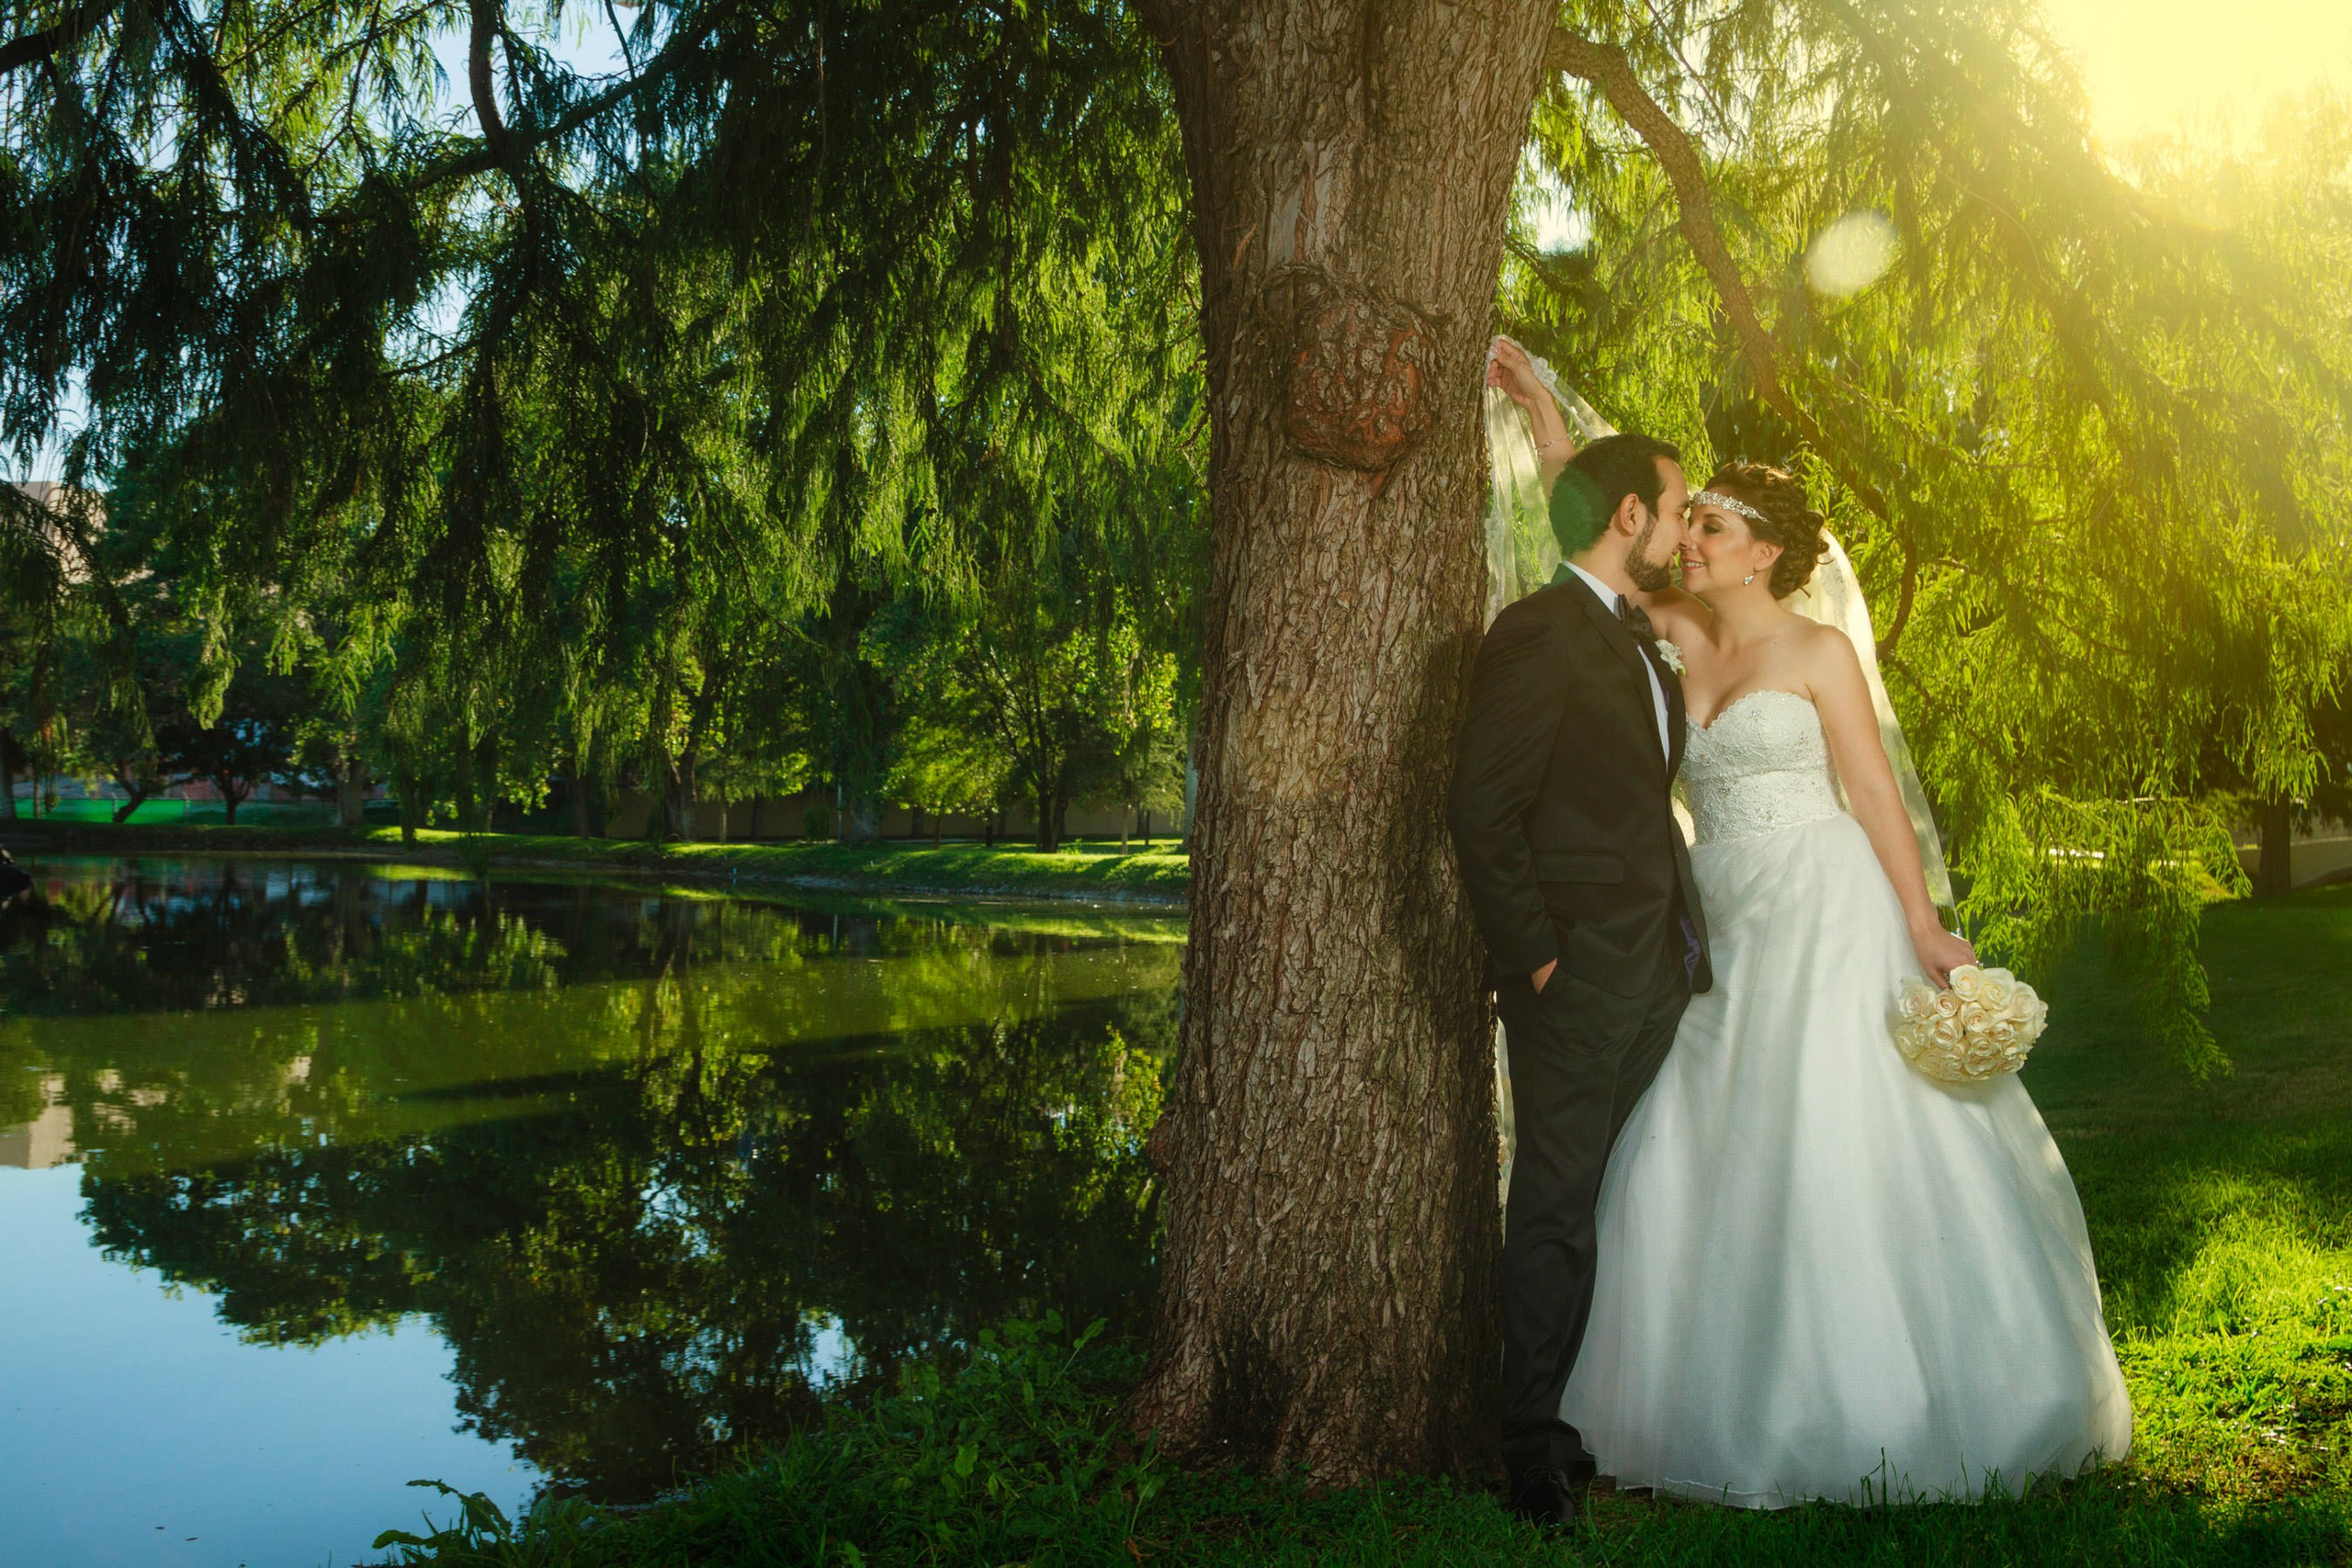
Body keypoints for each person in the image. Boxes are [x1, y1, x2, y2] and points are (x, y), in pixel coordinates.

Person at [1552, 461, 2132, 1506]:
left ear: (1766, 552)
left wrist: (1922, 922)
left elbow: (1870, 788)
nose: (1691, 541)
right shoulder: (1670, 626)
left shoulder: (1818, 650)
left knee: (1828, 1112)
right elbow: (1597, 545)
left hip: (1822, 899)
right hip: (1712, 908)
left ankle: (1877, 1399)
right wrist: (1552, 435)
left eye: (1713, 527)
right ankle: (1696, 1391)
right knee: (1705, 1120)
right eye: (1692, 523)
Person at [1446, 348, 1712, 1531]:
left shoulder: (1634, 627)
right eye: (1674, 508)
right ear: (1629, 517)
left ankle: (1588, 1408)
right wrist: (1538, 958)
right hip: (1577, 974)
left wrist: (1549, 423)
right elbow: (1481, 809)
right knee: (1554, 1202)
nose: (1684, 530)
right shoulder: (1540, 630)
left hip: (1656, 969)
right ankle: (1532, 1451)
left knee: (1609, 1193)